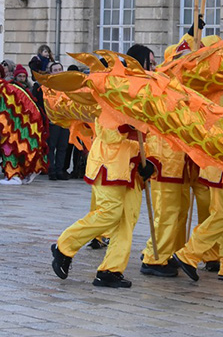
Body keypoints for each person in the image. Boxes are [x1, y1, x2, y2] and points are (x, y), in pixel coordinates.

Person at [50, 44, 157, 288]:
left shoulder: (147, 92)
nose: (154, 67)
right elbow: (107, 130)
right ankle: (64, 246)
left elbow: (150, 133)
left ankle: (111, 270)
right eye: (150, 63)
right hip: (110, 164)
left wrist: (148, 162)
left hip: (132, 167)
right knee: (109, 213)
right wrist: (131, 126)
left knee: (127, 219)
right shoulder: (115, 86)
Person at [45, 61, 70, 181]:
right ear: (51, 72)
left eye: (59, 69)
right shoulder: (47, 86)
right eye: (55, 70)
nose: (58, 72)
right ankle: (51, 170)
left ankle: (60, 170)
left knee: (63, 146)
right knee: (51, 145)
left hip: (65, 119)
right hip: (53, 120)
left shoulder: (66, 85)